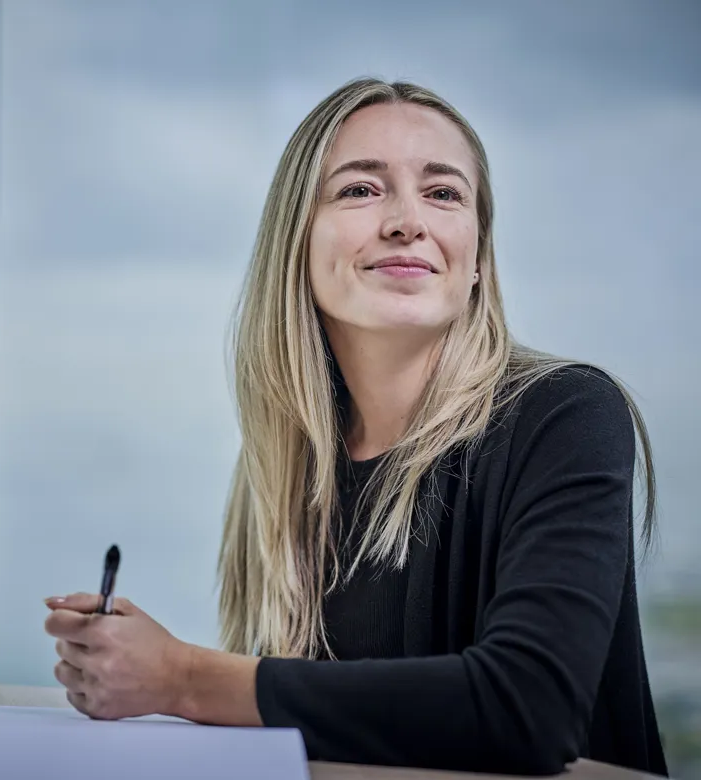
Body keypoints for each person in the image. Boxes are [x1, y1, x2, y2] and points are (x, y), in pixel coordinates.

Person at [43, 77, 668, 776]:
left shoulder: (568, 415)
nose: (407, 221)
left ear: (478, 260)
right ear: (296, 244)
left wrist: (182, 677)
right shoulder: (283, 473)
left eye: (443, 193)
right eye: (361, 190)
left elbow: (529, 709)